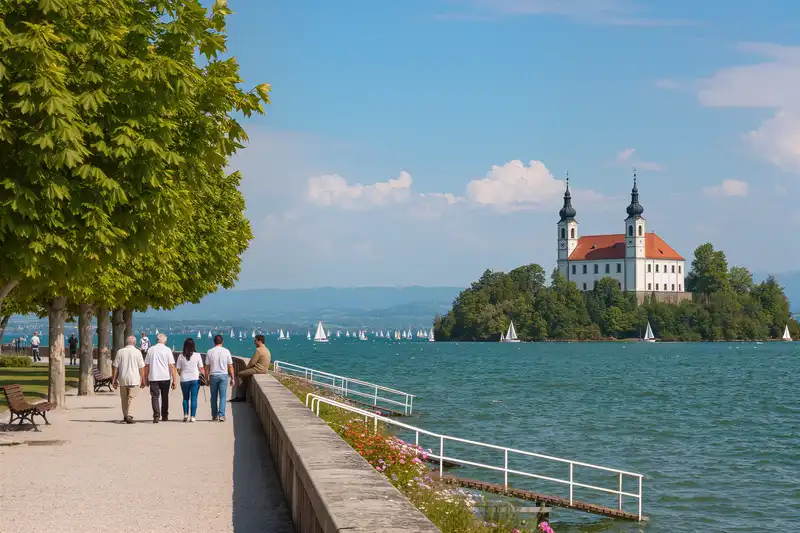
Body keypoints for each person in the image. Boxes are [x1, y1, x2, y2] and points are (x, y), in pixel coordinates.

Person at [144, 333, 177, 423]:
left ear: (156, 340)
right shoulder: (167, 350)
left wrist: (145, 378)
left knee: (155, 397)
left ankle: (156, 415)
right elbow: (171, 366)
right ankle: (165, 415)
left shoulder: (151, 350)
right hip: (165, 377)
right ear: (165, 341)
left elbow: (146, 365)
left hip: (153, 377)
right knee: (164, 396)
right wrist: (175, 380)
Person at [111, 336, 146, 424]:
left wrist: (114, 379)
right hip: (134, 378)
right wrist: (143, 379)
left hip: (123, 378)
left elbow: (115, 366)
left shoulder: (120, 352)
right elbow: (141, 367)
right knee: (132, 397)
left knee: (124, 398)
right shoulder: (137, 352)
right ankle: (129, 415)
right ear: (134, 343)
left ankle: (125, 414)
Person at [231, 334, 270, 402]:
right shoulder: (266, 349)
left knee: (240, 374)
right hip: (264, 370)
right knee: (246, 375)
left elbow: (252, 362)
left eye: (255, 341)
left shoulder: (259, 350)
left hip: (258, 369)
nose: (254, 342)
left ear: (260, 341)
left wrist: (246, 368)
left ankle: (240, 396)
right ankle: (244, 394)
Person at [205, 334, 234, 422]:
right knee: (223, 396)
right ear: (222, 342)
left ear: (214, 342)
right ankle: (221, 415)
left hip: (213, 375)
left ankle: (214, 415)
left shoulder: (209, 352)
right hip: (223, 375)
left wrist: (206, 378)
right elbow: (230, 366)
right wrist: (233, 378)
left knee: (213, 396)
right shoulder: (226, 351)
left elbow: (207, 367)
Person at [176, 338, 204, 422]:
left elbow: (178, 369)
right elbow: (201, 368)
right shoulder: (197, 355)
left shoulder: (181, 356)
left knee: (185, 398)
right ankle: (192, 416)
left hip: (184, 379)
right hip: (195, 379)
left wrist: (182, 374)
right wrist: (204, 376)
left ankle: (185, 414)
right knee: (194, 398)